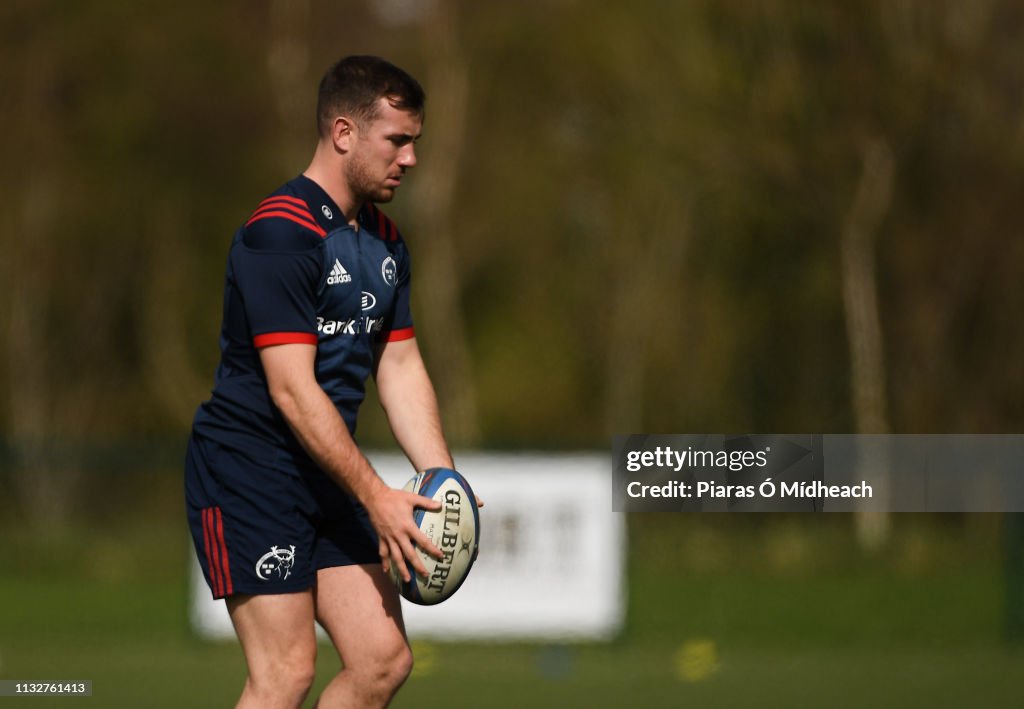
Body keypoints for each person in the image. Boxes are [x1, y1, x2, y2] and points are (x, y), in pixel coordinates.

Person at [185, 55, 456, 708]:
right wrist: (375, 494)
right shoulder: (280, 234)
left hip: (324, 472)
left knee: (382, 659)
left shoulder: (386, 242)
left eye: (414, 141)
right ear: (343, 133)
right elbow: (292, 391)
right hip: (251, 468)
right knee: (285, 672)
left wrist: (443, 479)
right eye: (398, 140)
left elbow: (399, 364)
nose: (411, 158)